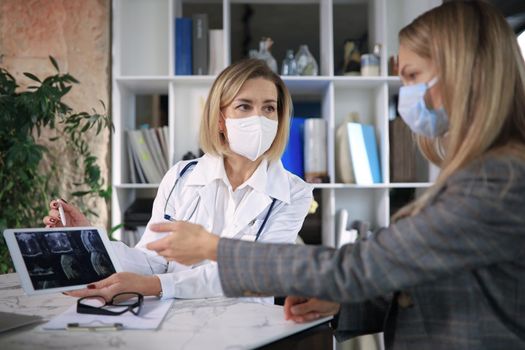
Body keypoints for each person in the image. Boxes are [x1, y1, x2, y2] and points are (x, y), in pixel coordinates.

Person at [145, 1, 525, 348]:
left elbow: (358, 267)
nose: (403, 93)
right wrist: (342, 306)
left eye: (411, 76)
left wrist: (213, 248)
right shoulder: (485, 174)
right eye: (244, 107)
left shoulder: (498, 182)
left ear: (463, 74)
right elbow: (437, 288)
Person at [43, 59, 313, 301]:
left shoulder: (294, 193)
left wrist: (153, 286)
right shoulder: (181, 177)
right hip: (174, 321)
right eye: (244, 106)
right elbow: (151, 259)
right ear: (220, 119)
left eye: (269, 108)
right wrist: (91, 240)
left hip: (246, 326)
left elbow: (254, 273)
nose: (259, 119)